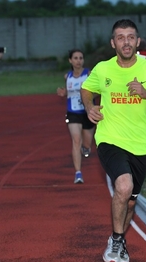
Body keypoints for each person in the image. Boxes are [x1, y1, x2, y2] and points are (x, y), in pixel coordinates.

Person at [81, 19, 146, 262]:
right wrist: (89, 106)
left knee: (131, 202)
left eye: (130, 37)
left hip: (140, 145)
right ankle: (116, 240)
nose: (126, 41)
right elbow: (86, 88)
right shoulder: (103, 69)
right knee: (123, 187)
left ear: (137, 41)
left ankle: (119, 240)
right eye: (121, 37)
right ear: (113, 43)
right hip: (109, 139)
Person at [57, 49, 95, 184]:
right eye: (76, 58)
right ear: (70, 60)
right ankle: (78, 173)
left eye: (81, 58)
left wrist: (90, 97)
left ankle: (86, 148)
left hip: (87, 113)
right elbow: (68, 92)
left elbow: (96, 91)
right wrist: (63, 93)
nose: (78, 61)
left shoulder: (89, 74)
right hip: (73, 113)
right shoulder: (67, 77)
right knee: (76, 140)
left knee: (86, 144)